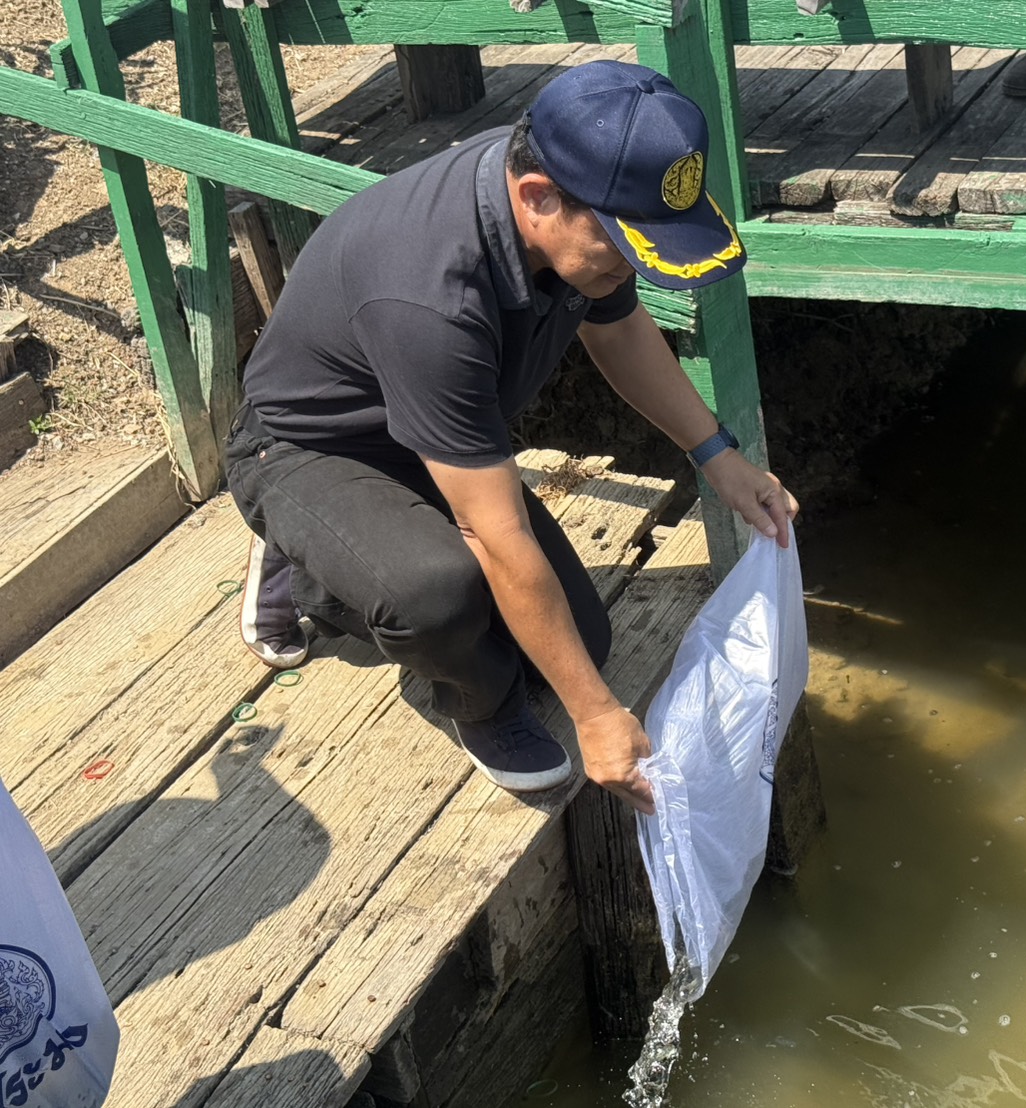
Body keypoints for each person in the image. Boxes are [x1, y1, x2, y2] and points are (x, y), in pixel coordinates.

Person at [227, 60, 798, 816]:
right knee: (436, 598)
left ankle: (354, 546)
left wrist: (715, 454)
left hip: (434, 434)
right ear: (536, 198)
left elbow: (617, 328)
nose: (633, 264)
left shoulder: (569, 181)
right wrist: (596, 716)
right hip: (312, 447)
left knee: (582, 642)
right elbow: (494, 536)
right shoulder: (429, 297)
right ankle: (460, 690)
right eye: (626, 246)